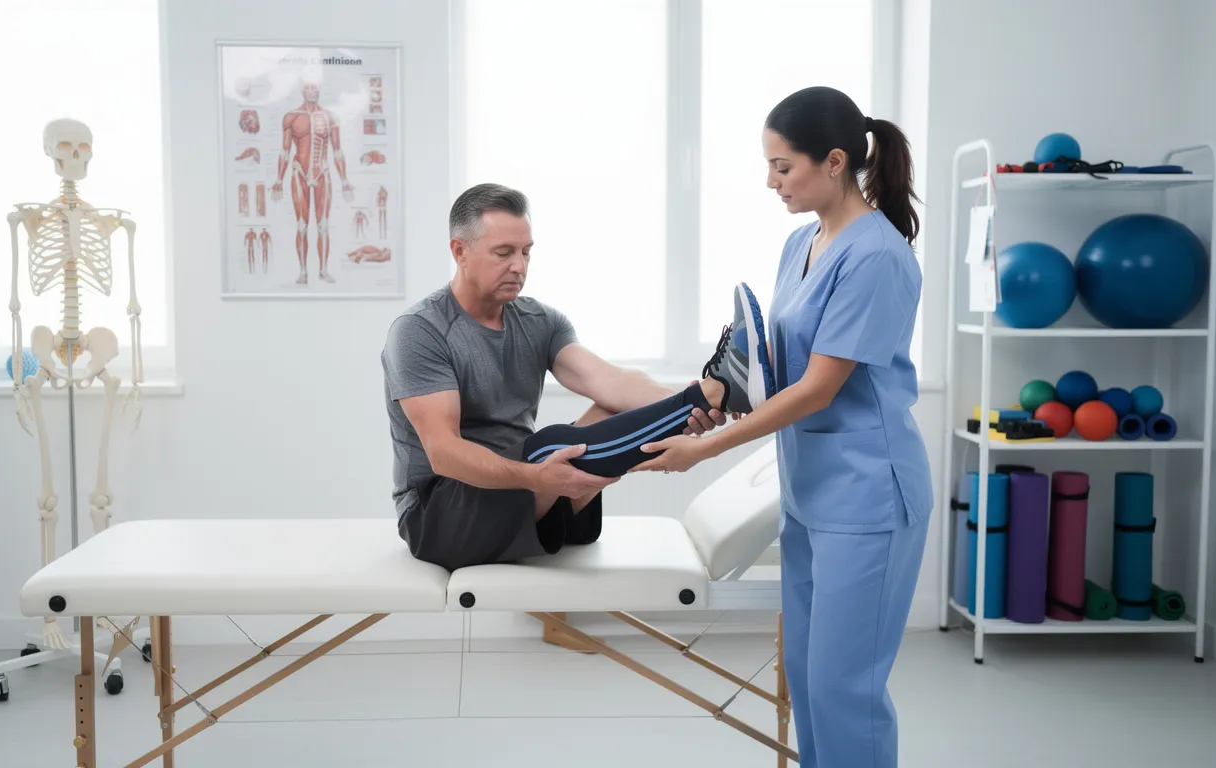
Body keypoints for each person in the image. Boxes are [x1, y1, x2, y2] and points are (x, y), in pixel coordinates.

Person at [632, 86, 933, 768]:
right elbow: (777, 368)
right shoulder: (800, 242)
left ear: (834, 162)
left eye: (782, 167)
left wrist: (704, 449)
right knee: (806, 680)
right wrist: (720, 398)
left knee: (842, 689)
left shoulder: (878, 257)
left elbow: (819, 390)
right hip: (807, 493)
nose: (770, 182)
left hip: (867, 496)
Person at [380, 182, 775, 572]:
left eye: (525, 252)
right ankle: (722, 388)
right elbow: (444, 453)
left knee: (607, 411)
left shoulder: (539, 320)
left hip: (530, 495)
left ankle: (719, 392)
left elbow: (611, 383)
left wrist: (689, 404)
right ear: (459, 251)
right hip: (441, 516)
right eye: (503, 253)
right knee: (547, 446)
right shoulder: (421, 331)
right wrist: (535, 476)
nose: (519, 266)